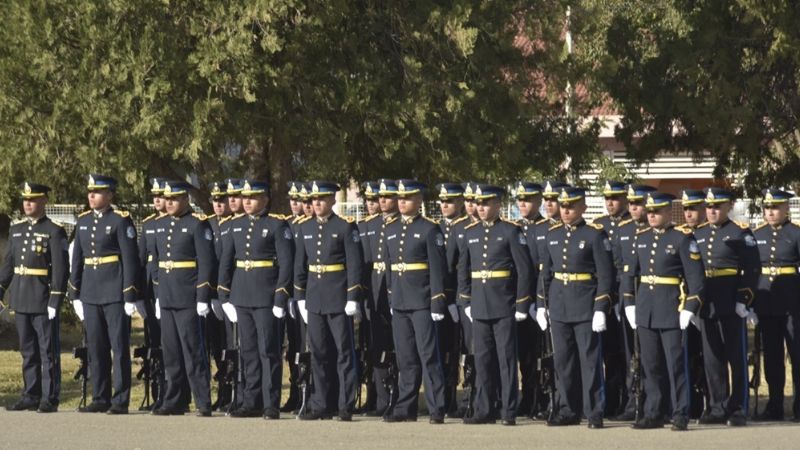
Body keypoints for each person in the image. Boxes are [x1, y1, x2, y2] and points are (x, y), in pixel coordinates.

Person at [622, 192, 705, 431]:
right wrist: (629, 303)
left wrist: (690, 308)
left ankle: (680, 412)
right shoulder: (641, 238)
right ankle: (654, 411)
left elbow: (696, 280)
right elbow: (630, 274)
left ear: (669, 213)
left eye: (657, 212)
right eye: (649, 212)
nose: (652, 216)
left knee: (676, 365)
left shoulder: (681, 239)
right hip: (646, 310)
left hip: (671, 309)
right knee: (651, 365)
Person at [536, 186, 614, 429]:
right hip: (559, 303)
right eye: (563, 206)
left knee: (589, 360)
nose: (566, 210)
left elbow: (605, 275)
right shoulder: (552, 234)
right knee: (563, 361)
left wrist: (601, 306)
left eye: (571, 206)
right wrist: (541, 304)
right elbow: (545, 273)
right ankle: (568, 409)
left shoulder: (594, 235)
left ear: (583, 207)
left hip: (584, 303)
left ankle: (594, 411)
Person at [218, 180, 293, 420]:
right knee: (247, 351)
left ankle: (271, 403)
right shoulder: (235, 225)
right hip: (242, 294)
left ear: (265, 199)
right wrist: (224, 294)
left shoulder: (276, 225)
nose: (247, 201)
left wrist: (281, 295)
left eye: (253, 197)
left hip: (265, 295)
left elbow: (286, 263)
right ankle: (251, 401)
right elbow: (226, 262)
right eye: (244, 197)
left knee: (268, 350)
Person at [458, 184, 533, 425]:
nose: (480, 208)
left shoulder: (511, 231)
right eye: (478, 204)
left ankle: (508, 410)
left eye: (486, 203)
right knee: (482, 360)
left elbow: (524, 271)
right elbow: (464, 269)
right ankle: (484, 409)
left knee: (506, 360)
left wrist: (522, 304)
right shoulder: (470, 232)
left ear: (498, 205)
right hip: (479, 305)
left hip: (504, 305)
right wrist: (465, 299)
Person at [68, 174, 140, 414]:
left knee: (118, 348)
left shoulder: (121, 220)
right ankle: (100, 397)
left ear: (110, 195)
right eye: (90, 191)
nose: (91, 196)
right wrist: (75, 292)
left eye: (97, 192)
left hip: (114, 291)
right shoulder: (83, 221)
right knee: (96, 348)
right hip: (90, 291)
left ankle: (120, 399)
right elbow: (77, 259)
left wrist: (129, 294)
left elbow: (130, 260)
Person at [294, 181, 364, 421]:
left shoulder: (345, 227)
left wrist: (352, 296)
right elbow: (300, 267)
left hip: (338, 297)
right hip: (315, 297)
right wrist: (300, 297)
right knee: (319, 353)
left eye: (321, 199)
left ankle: (346, 404)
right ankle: (321, 404)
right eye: (314, 200)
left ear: (332, 201)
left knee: (344, 353)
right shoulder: (305, 228)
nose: (316, 203)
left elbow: (354, 265)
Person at [381, 179, 448, 424]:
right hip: (399, 301)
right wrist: (390, 296)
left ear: (419, 200)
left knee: (428, 355)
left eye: (407, 198)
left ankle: (436, 407)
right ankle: (405, 407)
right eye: (399, 198)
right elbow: (389, 267)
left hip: (421, 301)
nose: (401, 202)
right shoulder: (390, 228)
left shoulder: (430, 229)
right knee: (405, 357)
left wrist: (437, 301)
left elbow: (438, 270)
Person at [693, 187, 759, 427]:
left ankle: (738, 407)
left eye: (716, 206)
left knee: (736, 357)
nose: (711, 211)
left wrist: (744, 299)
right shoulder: (697, 233)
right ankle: (717, 406)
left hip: (731, 302)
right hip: (708, 303)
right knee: (712, 358)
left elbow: (752, 269)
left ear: (728, 207)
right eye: (708, 207)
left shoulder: (740, 233)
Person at [150, 180, 216, 417]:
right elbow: (156, 263)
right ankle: (175, 399)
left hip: (188, 297)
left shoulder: (197, 225)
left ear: (185, 200)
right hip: (167, 296)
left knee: (193, 351)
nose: (169, 203)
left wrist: (202, 296)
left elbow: (206, 263)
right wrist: (158, 294)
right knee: (171, 353)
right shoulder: (160, 224)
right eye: (167, 200)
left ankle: (202, 400)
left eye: (174, 199)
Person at [0, 182, 68, 413]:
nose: (27, 203)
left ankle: (50, 397)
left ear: (44, 201)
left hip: (42, 298)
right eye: (25, 199)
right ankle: (30, 393)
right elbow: (9, 264)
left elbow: (60, 269)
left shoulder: (54, 230)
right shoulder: (16, 229)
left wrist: (56, 299)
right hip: (20, 297)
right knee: (27, 350)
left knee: (47, 350)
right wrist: (1, 288)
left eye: (33, 199)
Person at [752, 189, 800, 421]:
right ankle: (775, 405)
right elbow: (752, 271)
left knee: (797, 355)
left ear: (786, 208)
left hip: (793, 303)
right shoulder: (756, 234)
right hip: (766, 303)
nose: (770, 212)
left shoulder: (796, 233)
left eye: (775, 208)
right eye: (767, 208)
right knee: (771, 357)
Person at [435, 182, 468, 417]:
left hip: (462, 297)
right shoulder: (434, 228)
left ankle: (467, 397)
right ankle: (446, 399)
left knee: (465, 350)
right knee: (445, 350)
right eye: (442, 202)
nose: (445, 205)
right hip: (441, 298)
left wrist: (458, 298)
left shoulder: (467, 227)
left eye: (450, 201)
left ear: (459, 203)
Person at [206, 181, 234, 410]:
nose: (218, 204)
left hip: (234, 294)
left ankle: (234, 391)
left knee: (233, 345)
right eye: (215, 200)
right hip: (212, 296)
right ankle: (223, 391)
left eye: (222, 200)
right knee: (216, 345)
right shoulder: (207, 225)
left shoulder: (236, 224)